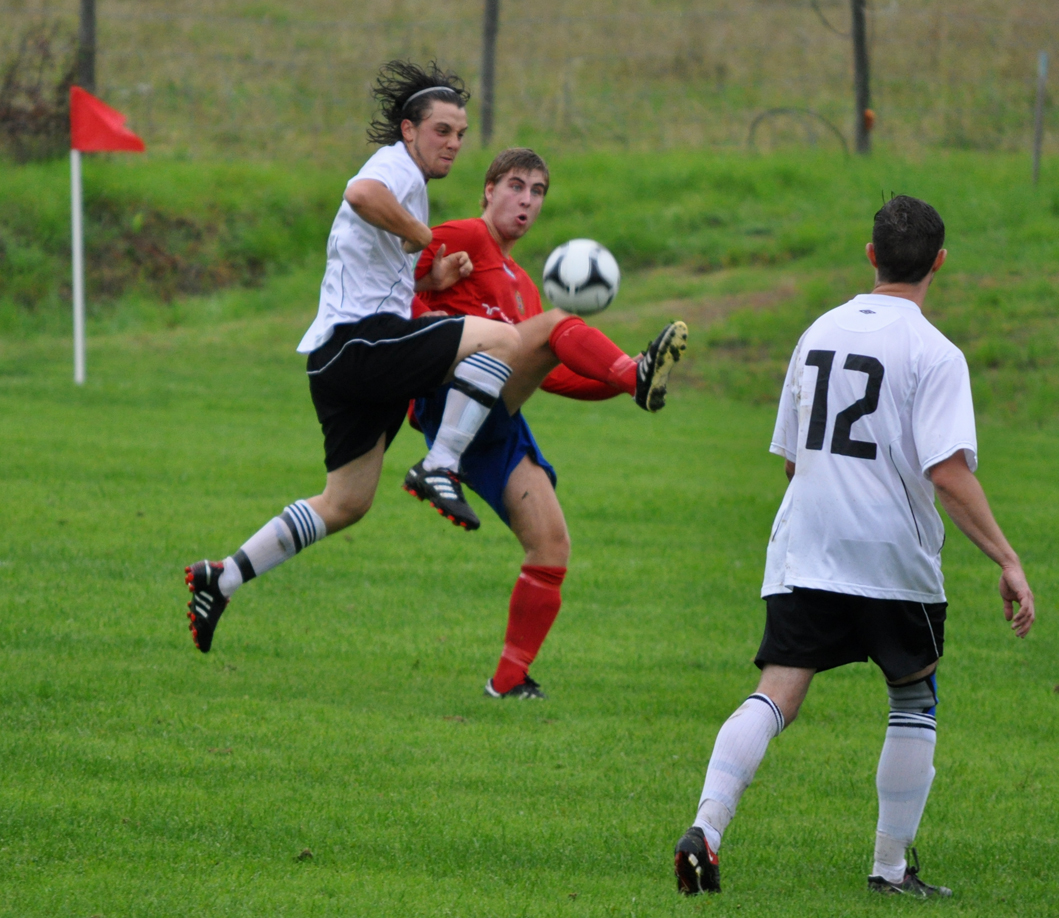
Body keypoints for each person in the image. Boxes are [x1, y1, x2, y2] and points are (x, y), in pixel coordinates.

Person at [672, 195, 1035, 897]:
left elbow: (792, 461)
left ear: (871, 256)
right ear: (938, 263)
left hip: (806, 546)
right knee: (912, 695)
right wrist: (1006, 558)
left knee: (776, 692)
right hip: (891, 555)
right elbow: (947, 473)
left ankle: (706, 828)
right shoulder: (935, 352)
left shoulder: (817, 332)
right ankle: (889, 869)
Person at [183, 60, 524, 652]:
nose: (453, 143)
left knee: (345, 503)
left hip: (338, 358)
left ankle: (223, 577)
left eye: (461, 133)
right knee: (505, 340)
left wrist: (432, 279)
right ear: (409, 130)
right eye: (442, 130)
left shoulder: (409, 179)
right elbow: (360, 194)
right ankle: (440, 464)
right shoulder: (394, 165)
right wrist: (422, 236)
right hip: (357, 344)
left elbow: (376, 271)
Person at [409, 147, 688, 698]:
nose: (527, 200)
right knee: (558, 322)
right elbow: (391, 281)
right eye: (516, 186)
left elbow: (555, 376)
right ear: (489, 190)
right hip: (448, 397)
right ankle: (632, 372)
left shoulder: (523, 284)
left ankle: (508, 681)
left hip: (495, 424)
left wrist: (620, 382)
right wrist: (428, 309)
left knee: (551, 545)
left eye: (537, 192)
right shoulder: (465, 234)